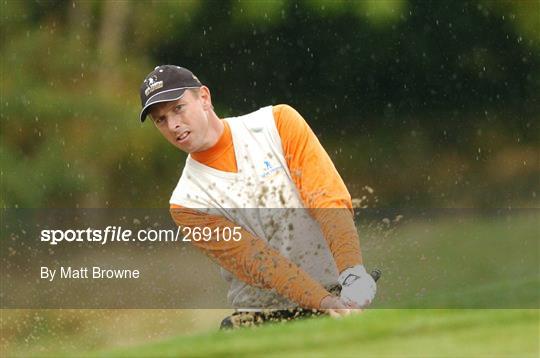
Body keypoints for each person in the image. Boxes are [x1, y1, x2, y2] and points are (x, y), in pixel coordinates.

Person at [139, 65, 377, 328]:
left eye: (178, 108)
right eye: (160, 119)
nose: (172, 125)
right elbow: (260, 263)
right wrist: (324, 303)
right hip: (263, 317)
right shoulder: (186, 203)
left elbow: (327, 200)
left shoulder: (277, 124)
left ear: (204, 98)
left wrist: (352, 273)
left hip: (335, 291)